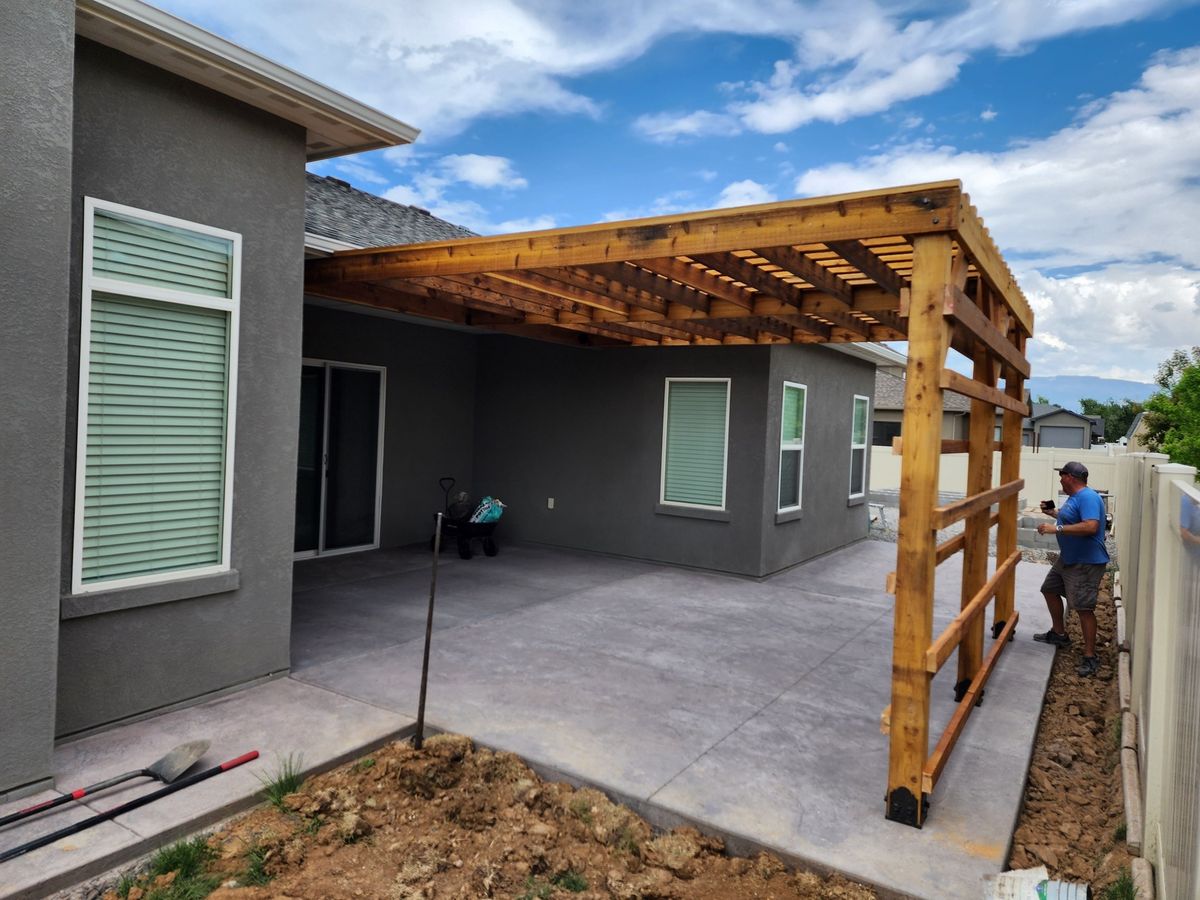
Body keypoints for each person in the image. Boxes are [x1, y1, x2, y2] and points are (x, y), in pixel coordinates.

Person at [1032, 461, 1109, 676]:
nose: (1060, 479)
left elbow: (1091, 526)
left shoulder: (1088, 497)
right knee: (1049, 589)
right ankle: (1059, 634)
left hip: (1085, 562)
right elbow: (1073, 519)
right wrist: (1053, 513)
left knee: (1083, 609)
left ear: (1071, 478)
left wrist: (1056, 528)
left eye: (1062, 476)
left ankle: (1090, 656)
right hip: (1068, 559)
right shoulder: (1074, 498)